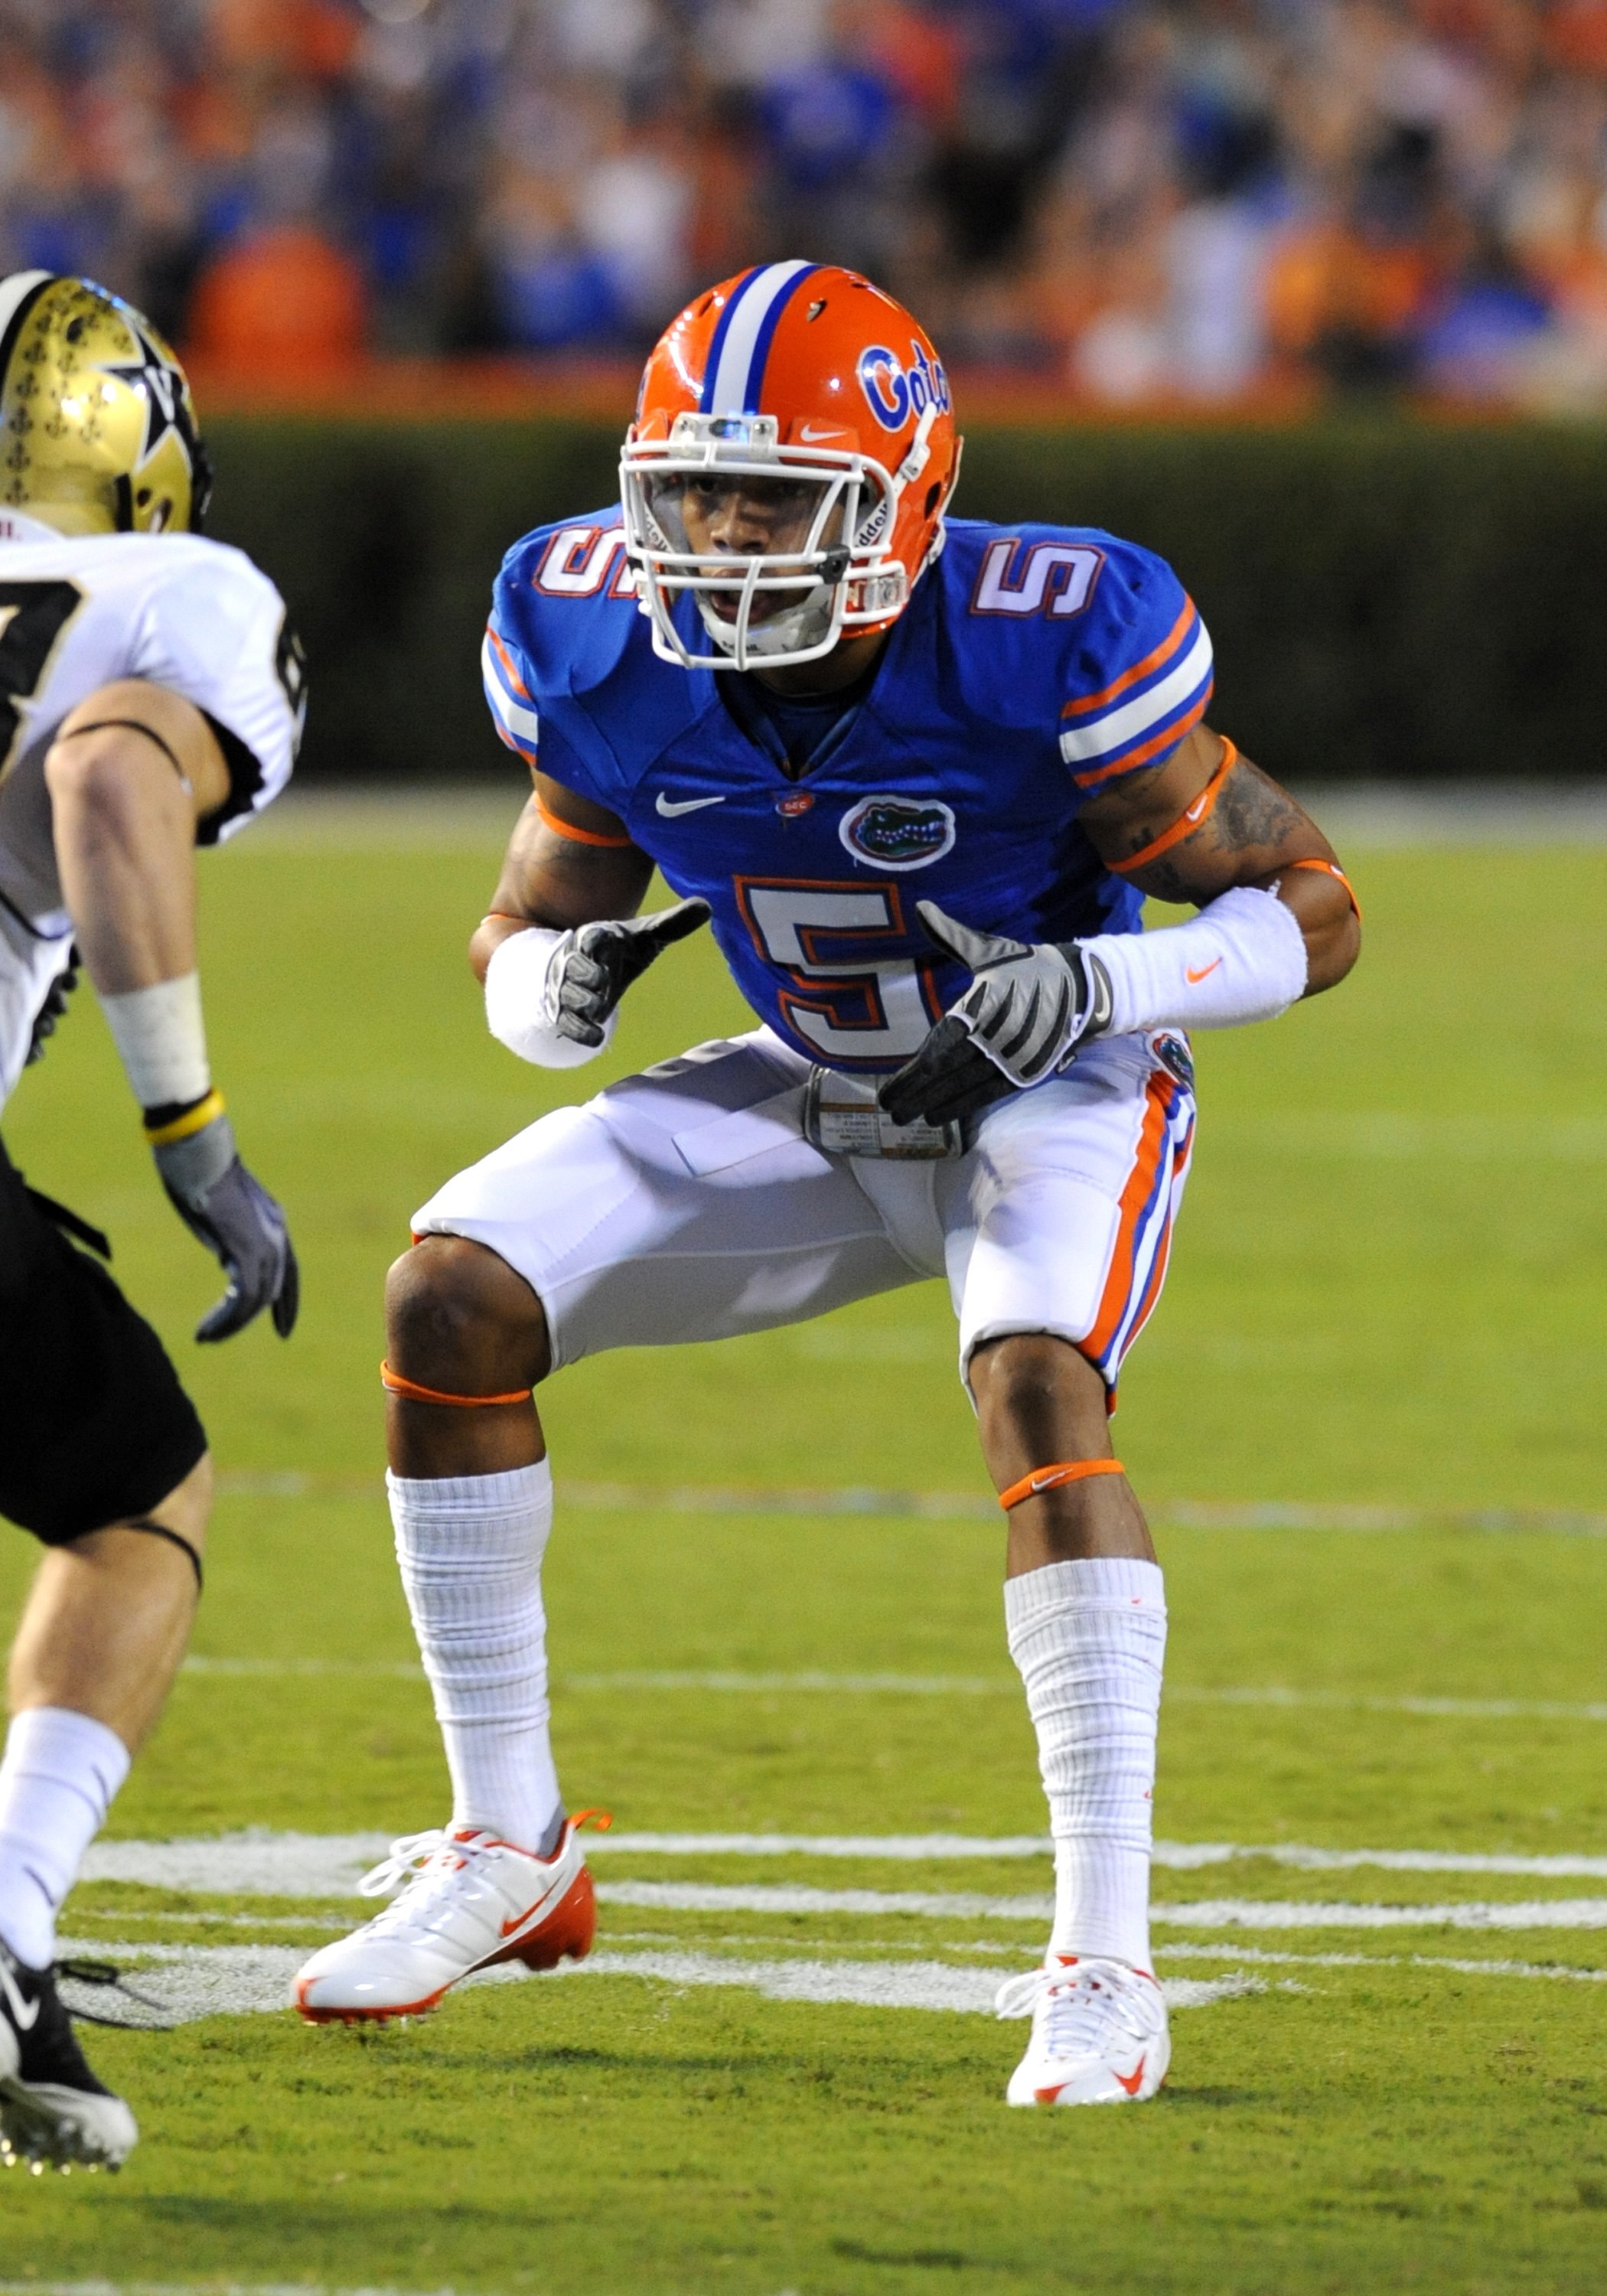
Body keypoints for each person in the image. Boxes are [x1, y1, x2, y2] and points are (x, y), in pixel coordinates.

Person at [295, 261, 1359, 2106]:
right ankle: (509, 1844)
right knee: (448, 1297)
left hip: (1057, 1076)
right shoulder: (590, 630)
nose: (725, 536)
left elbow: (1316, 910)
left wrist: (1104, 982)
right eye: (698, 491)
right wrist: (532, 982)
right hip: (816, 1080)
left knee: (1035, 1377)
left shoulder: (1047, 632)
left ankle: (1105, 1963)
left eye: (776, 496)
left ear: (908, 499)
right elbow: (530, 912)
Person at [0, 272, 302, 2170]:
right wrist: (191, 1135)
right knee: (139, 1492)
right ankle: (4, 1924)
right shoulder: (171, 594)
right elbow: (111, 765)